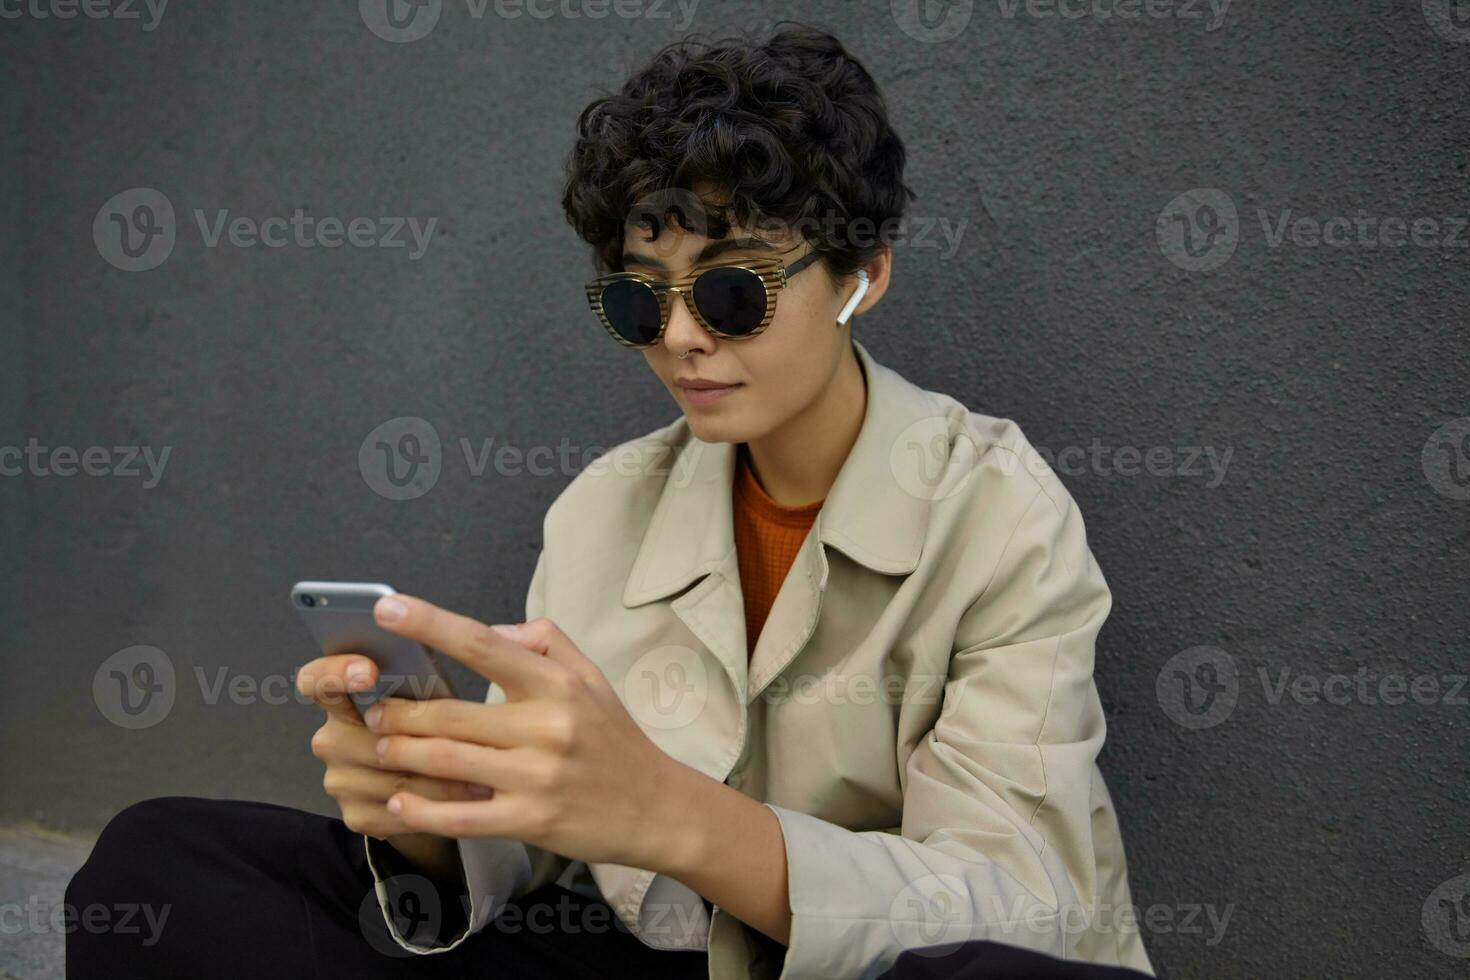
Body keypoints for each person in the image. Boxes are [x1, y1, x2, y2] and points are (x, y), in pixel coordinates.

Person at [67, 23, 1157, 980]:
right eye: (644, 297)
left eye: (734, 291)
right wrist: (431, 813)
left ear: (864, 274)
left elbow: (1020, 907)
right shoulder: (606, 508)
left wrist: (681, 818)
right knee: (164, 862)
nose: (683, 336)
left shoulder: (998, 511)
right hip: (657, 958)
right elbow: (529, 855)